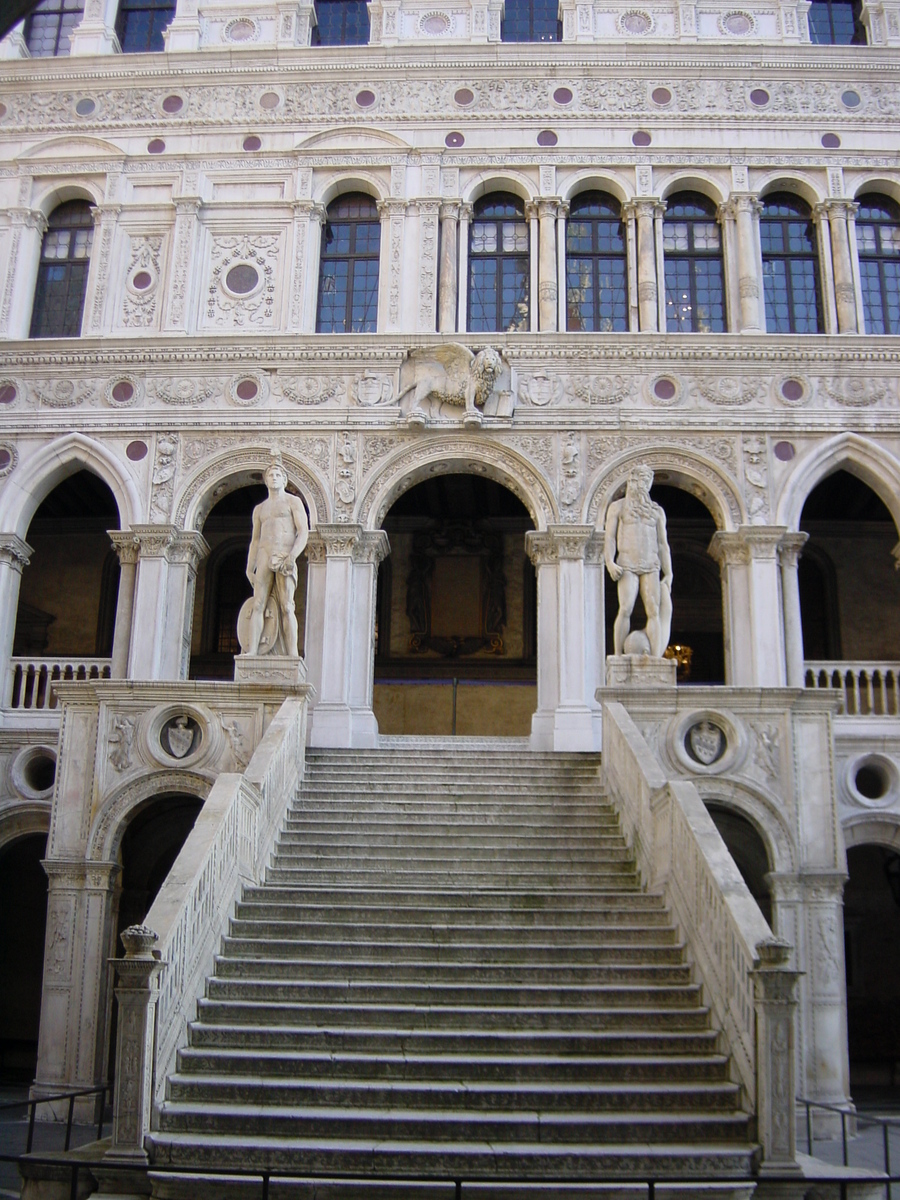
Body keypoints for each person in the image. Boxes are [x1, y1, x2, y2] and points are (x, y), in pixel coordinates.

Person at [604, 464, 673, 658]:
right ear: (632, 481)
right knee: (625, 608)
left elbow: (662, 544)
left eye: (648, 482)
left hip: (651, 564)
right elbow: (609, 537)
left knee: (654, 611)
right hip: (627, 564)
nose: (644, 486)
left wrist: (669, 572)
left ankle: (656, 658)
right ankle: (618, 656)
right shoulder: (618, 507)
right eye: (641, 480)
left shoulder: (656, 512)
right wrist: (609, 561)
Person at [243, 457, 309, 657]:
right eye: (270, 475)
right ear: (265, 480)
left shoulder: (293, 502)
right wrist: (249, 566)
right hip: (264, 554)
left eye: (278, 475)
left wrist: (293, 556)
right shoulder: (260, 509)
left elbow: (303, 531)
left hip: (284, 555)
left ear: (285, 480)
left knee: (287, 606)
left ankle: (292, 655)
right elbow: (255, 540)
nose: (274, 478)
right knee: (258, 604)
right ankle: (253, 651)